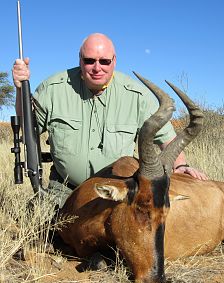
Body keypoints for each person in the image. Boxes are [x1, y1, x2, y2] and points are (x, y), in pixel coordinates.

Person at [12, 33, 207, 207]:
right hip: (65, 189)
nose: (97, 68)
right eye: (89, 61)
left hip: (117, 191)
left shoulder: (137, 96)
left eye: (104, 61)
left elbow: (167, 139)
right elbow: (27, 127)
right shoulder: (53, 88)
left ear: (114, 61)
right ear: (80, 60)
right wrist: (21, 88)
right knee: (43, 226)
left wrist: (181, 166)